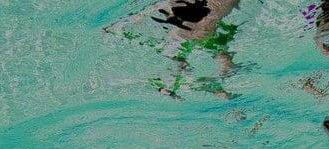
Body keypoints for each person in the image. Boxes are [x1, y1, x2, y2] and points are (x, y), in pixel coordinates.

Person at [102, 0, 242, 99]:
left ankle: (191, 82)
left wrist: (120, 23)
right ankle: (218, 86)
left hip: (191, 29)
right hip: (212, 27)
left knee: (175, 52)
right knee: (222, 59)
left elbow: (154, 8)